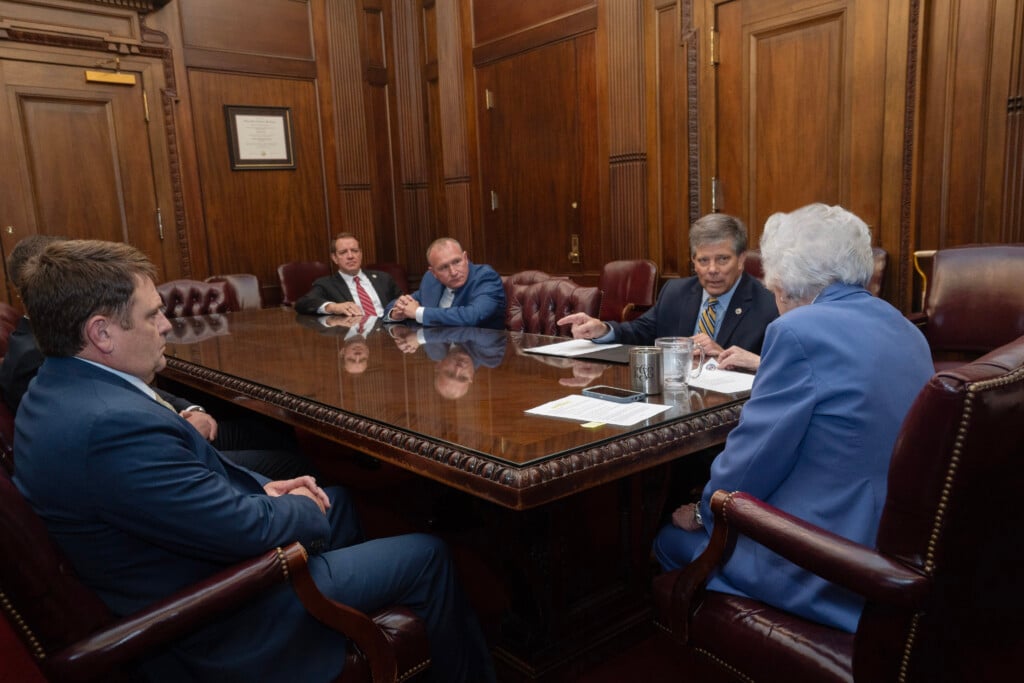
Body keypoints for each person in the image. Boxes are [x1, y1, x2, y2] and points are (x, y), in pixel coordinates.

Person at [12, 239, 495, 682]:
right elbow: (244, 531)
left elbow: (187, 498)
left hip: (187, 565)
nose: (166, 325)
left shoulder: (56, 387)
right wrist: (294, 506)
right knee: (427, 554)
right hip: (222, 613)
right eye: (151, 315)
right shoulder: (108, 427)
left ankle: (365, 621)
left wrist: (266, 491)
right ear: (101, 333)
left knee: (341, 500)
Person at [652, 204, 934, 633]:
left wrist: (703, 510)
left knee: (666, 540)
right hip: (900, 544)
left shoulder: (798, 331)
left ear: (781, 281)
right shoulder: (906, 327)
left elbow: (747, 466)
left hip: (828, 563)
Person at [0, 235, 316, 481]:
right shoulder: (41, 365)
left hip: (169, 434)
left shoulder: (60, 364)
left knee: (275, 430)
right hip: (168, 454)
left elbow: (128, 390)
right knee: (303, 468)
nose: (166, 325)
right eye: (153, 315)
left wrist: (188, 409)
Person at [558, 213, 778, 356]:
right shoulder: (676, 292)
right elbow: (638, 332)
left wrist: (720, 356)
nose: (712, 269)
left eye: (722, 259)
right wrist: (602, 329)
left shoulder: (769, 305)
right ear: (693, 261)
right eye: (703, 260)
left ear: (741, 260)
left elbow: (777, 372)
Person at [385, 237, 506, 330]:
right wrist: (397, 312)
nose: (453, 272)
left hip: (478, 355)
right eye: (443, 268)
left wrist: (418, 312)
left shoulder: (485, 277)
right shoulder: (431, 281)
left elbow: (472, 316)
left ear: (465, 257)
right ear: (433, 272)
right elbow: (395, 305)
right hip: (440, 354)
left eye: (457, 261)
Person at [295, 233, 403, 317]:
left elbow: (403, 302)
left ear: (360, 254)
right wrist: (333, 307)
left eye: (354, 251)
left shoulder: (383, 278)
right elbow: (303, 303)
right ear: (335, 258)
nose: (350, 256)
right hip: (356, 337)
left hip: (389, 332)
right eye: (343, 252)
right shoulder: (326, 284)